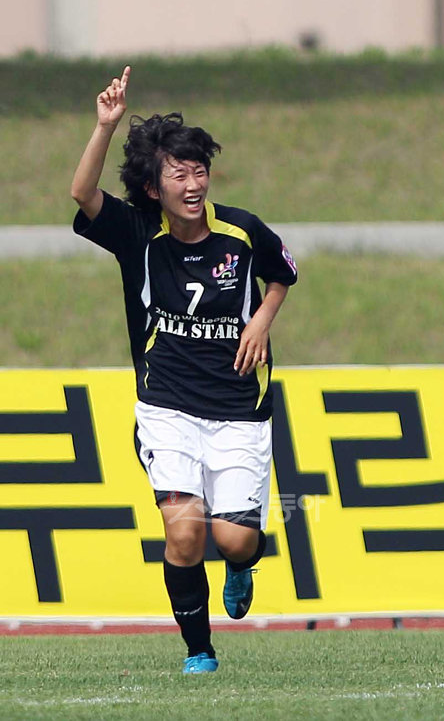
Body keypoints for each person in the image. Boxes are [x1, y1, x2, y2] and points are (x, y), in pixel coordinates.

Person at [71, 66, 297, 674]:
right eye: (179, 174)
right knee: (185, 533)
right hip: (166, 407)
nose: (193, 184)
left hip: (239, 408)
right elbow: (82, 193)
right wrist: (105, 126)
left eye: (200, 171)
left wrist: (261, 320)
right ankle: (199, 650)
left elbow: (283, 273)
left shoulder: (241, 231)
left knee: (234, 540)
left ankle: (243, 566)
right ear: (154, 187)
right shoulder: (138, 234)